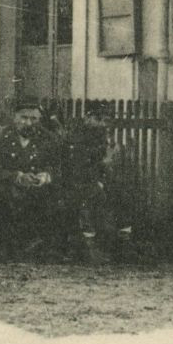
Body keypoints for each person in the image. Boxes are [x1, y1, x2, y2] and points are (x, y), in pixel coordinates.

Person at [0, 99, 62, 258]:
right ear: (15, 118)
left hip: (38, 189)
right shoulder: (0, 137)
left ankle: (42, 247)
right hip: (9, 187)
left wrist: (45, 176)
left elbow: (57, 166)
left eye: (34, 119)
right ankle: (2, 247)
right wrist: (17, 177)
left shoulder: (48, 138)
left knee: (57, 198)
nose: (28, 123)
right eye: (24, 118)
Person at [60, 100, 117, 263]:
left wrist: (104, 174)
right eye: (100, 120)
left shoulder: (101, 137)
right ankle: (88, 248)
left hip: (95, 181)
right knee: (90, 199)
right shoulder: (77, 138)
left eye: (106, 121)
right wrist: (102, 169)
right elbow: (78, 166)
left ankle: (112, 246)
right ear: (88, 118)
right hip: (76, 183)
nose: (104, 125)